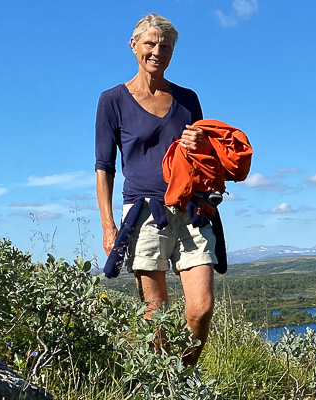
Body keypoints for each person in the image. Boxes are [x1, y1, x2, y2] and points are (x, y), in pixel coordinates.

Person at [94, 13, 215, 366]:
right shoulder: (112, 100)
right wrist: (108, 227)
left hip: (191, 208)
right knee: (156, 317)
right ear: (134, 46)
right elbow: (104, 167)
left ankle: (182, 375)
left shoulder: (188, 99)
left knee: (201, 309)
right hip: (143, 214)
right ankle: (163, 382)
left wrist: (203, 144)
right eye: (149, 44)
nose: (157, 52)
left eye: (165, 47)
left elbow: (203, 158)